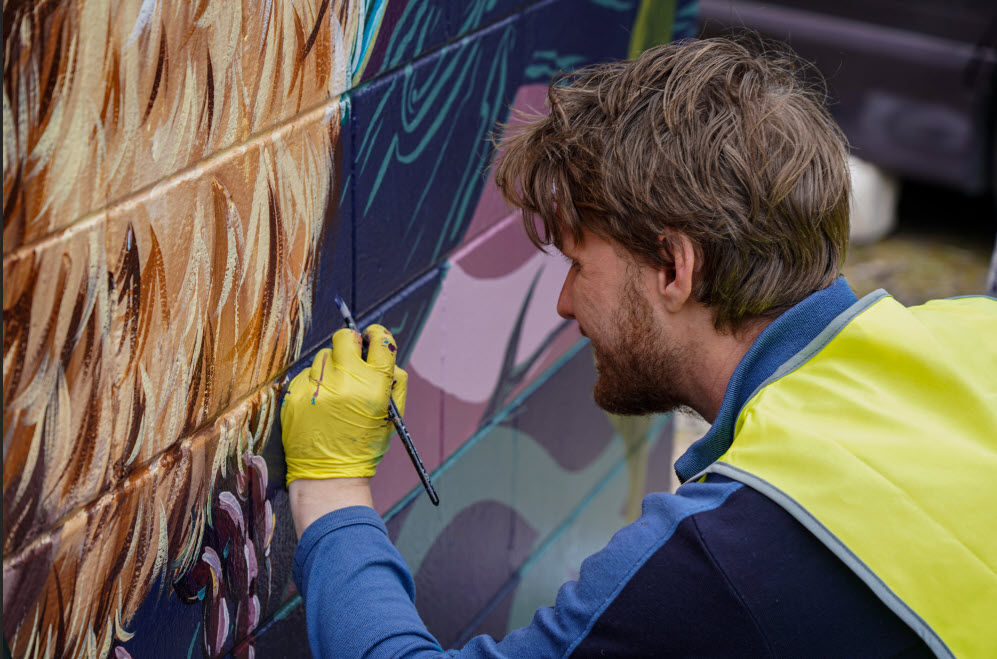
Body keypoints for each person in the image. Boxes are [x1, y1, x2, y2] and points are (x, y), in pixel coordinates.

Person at [281, 36, 996, 658]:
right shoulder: (975, 330)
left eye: (577, 262)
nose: (564, 302)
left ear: (673, 268)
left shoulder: (730, 554)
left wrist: (330, 484)